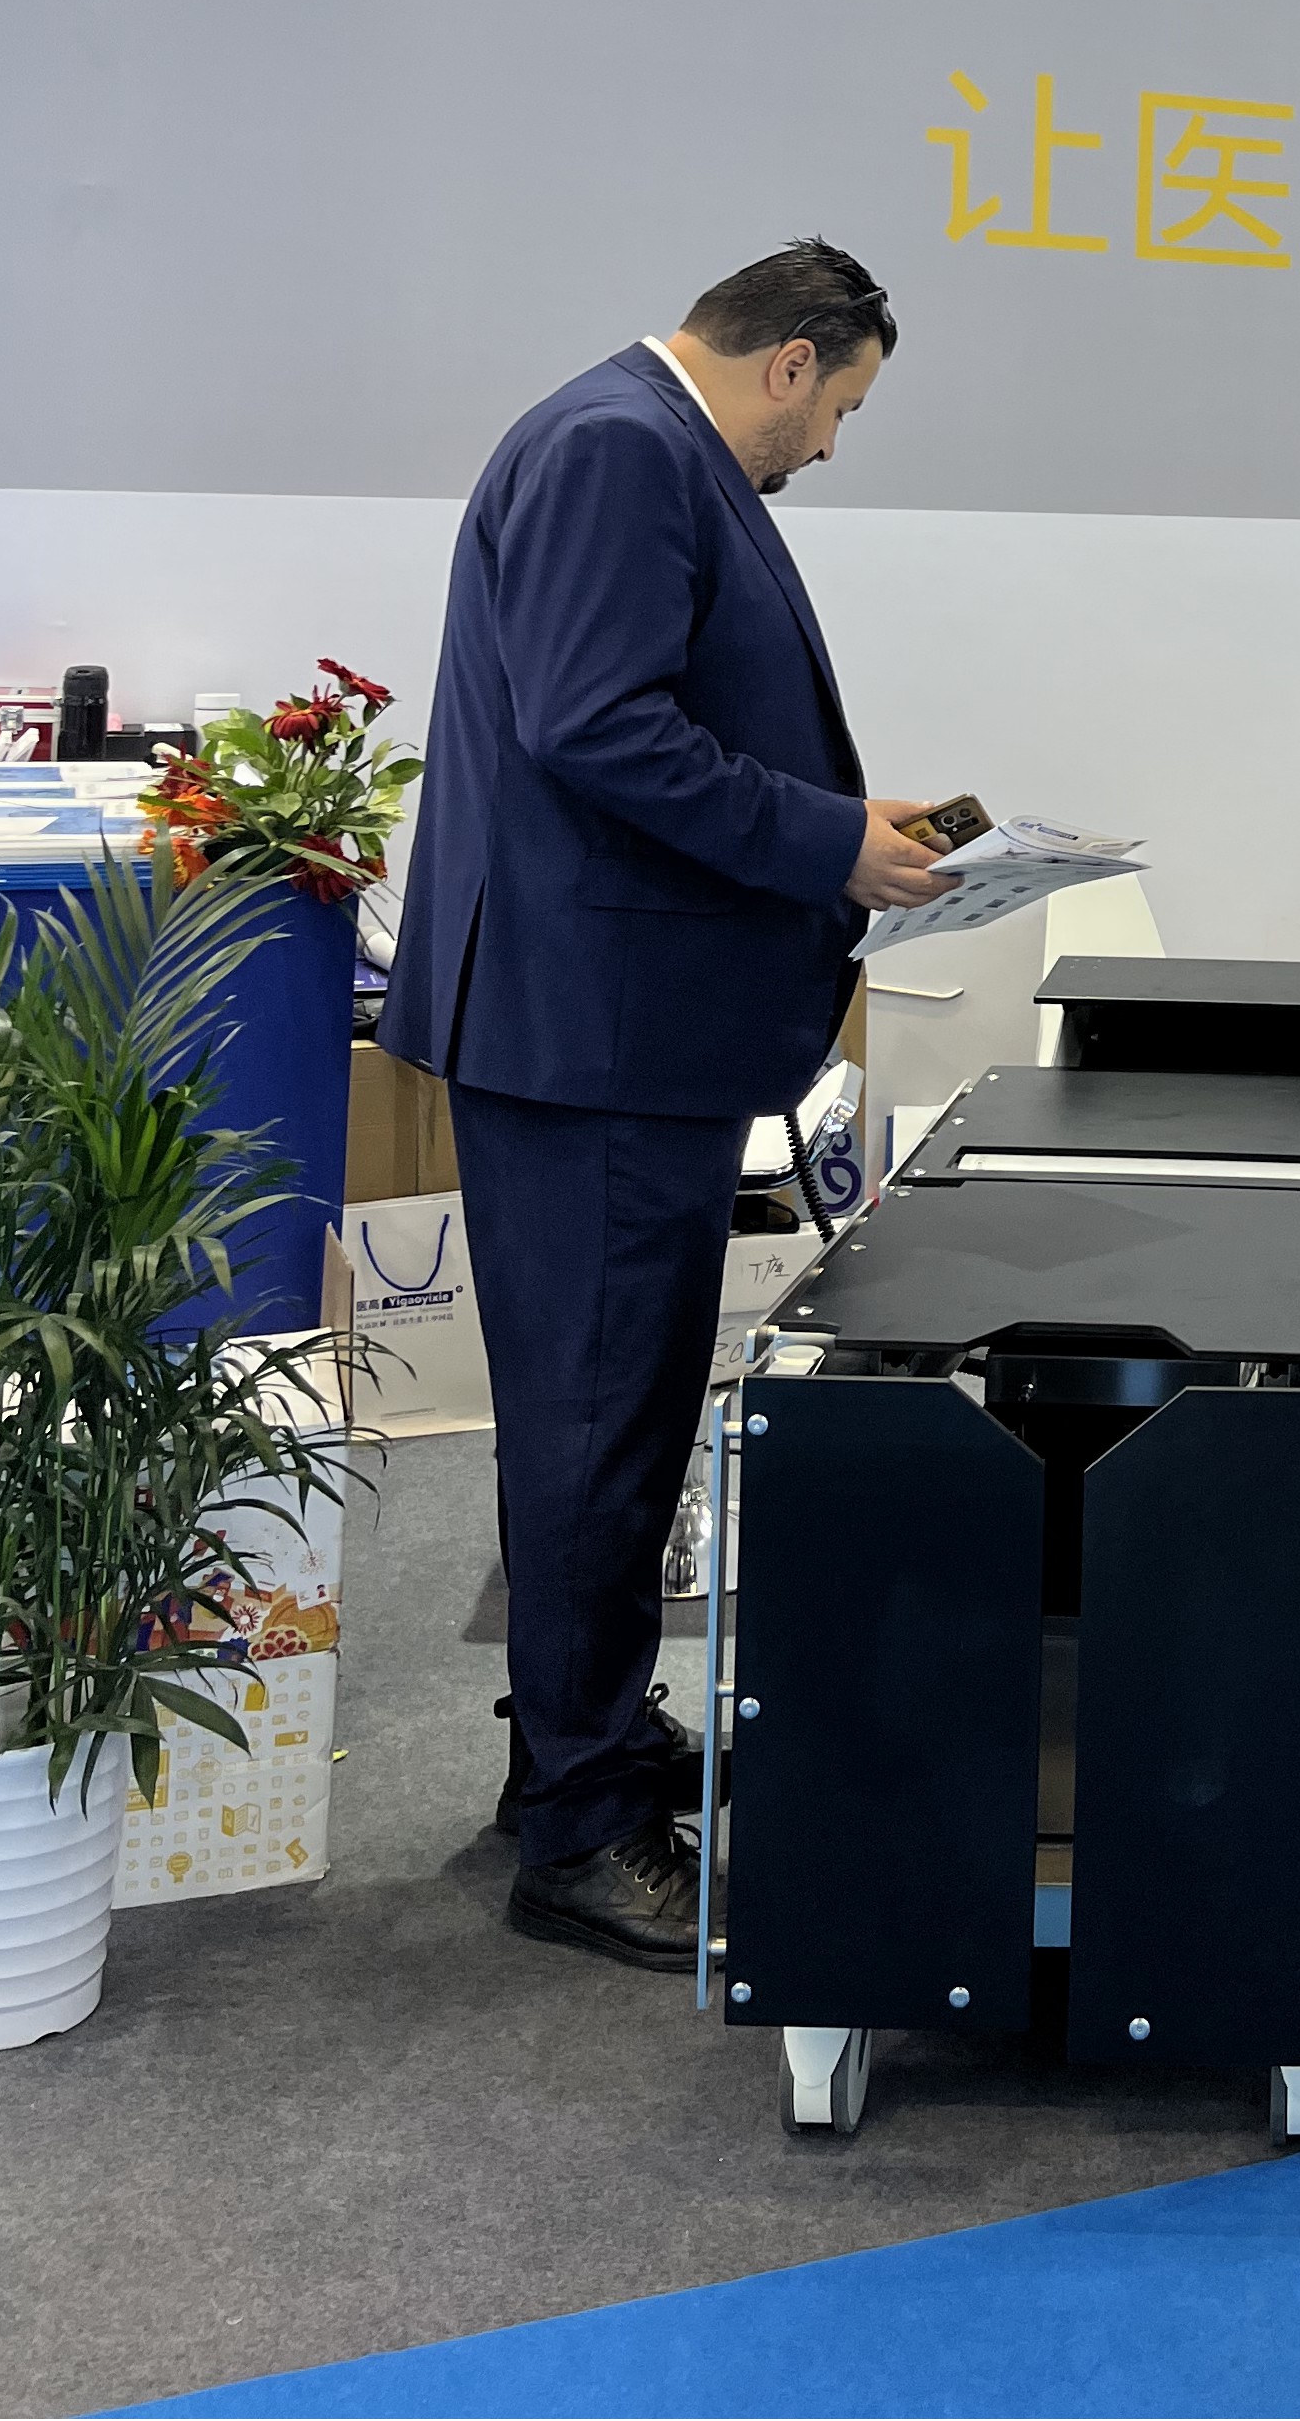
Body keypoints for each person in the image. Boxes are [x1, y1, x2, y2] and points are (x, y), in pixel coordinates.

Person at [382, 241, 954, 1970]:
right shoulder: (622, 446)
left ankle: (579, 1741)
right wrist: (826, 840)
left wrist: (843, 821)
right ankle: (580, 1827)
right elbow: (598, 726)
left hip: (612, 1028)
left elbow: (642, 715)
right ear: (790, 359)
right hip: (597, 1036)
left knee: (607, 1416)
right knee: (594, 1425)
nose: (829, 445)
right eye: (840, 408)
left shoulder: (627, 437)